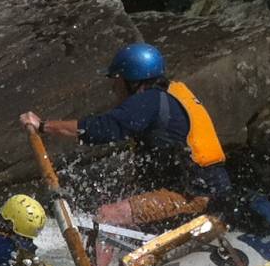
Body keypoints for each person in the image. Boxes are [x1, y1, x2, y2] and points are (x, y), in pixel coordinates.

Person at [19, 42, 230, 232]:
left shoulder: (149, 101)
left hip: (194, 197)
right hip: (203, 190)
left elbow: (103, 129)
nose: (114, 87)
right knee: (113, 199)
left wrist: (44, 125)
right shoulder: (167, 96)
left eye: (117, 80)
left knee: (106, 215)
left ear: (132, 80)